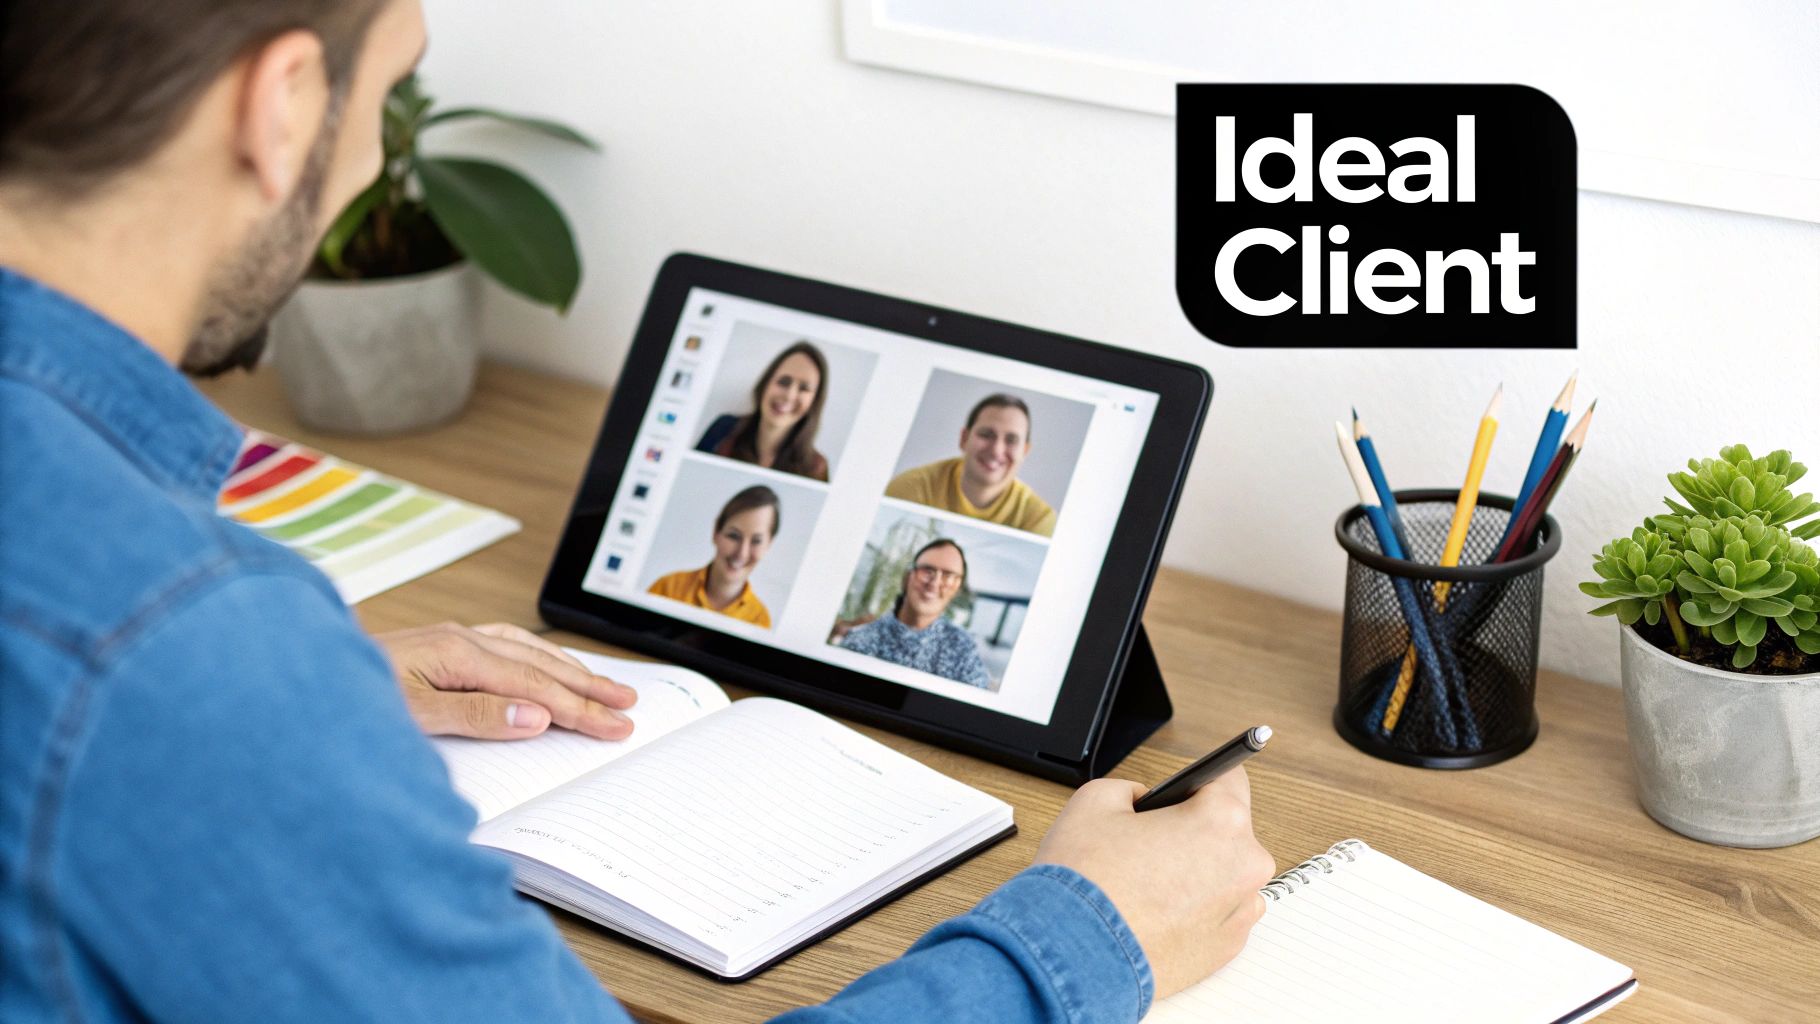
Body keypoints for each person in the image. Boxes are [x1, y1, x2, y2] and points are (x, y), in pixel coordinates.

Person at [0, 2, 1275, 1022]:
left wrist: (284, 696)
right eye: (388, 91)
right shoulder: (177, 656)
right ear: (281, 105)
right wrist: (1077, 939)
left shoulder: (154, 649)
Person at [887, 394, 1057, 537]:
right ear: (964, 439)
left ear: (1024, 452)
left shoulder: (1039, 520)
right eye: (986, 434)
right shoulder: (912, 488)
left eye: (1011, 440)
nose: (996, 450)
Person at [840, 539, 992, 687]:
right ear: (908, 577)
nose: (934, 583)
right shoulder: (860, 640)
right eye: (927, 571)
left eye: (948, 576)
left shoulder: (964, 649)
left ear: (957, 588)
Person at [696, 340, 831, 481]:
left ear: (814, 401)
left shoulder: (817, 468)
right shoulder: (723, 429)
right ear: (766, 383)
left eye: (804, 388)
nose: (789, 395)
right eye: (784, 381)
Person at [647, 485, 779, 627]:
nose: (742, 553)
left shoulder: (760, 620)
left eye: (756, 541)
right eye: (734, 536)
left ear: (768, 545)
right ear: (716, 532)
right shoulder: (667, 588)